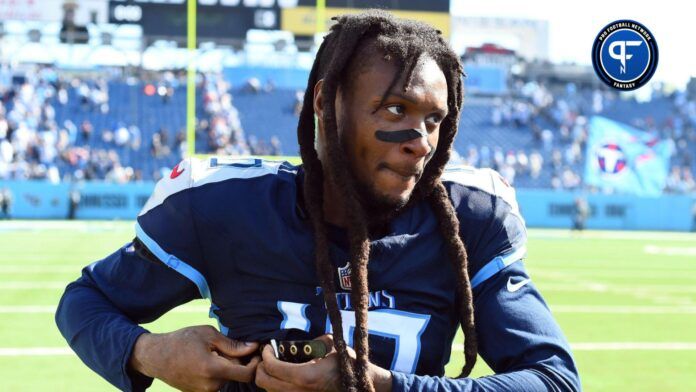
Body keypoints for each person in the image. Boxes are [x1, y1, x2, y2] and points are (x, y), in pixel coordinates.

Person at [56, 11, 580, 392]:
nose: (420, 140)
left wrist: (384, 386)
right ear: (326, 105)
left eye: (434, 120)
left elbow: (555, 381)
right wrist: (150, 353)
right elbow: (83, 302)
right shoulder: (225, 208)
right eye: (395, 109)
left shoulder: (467, 221)